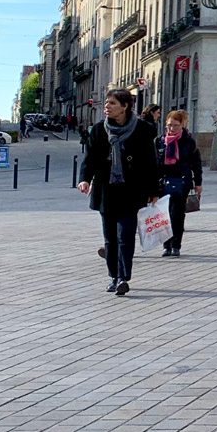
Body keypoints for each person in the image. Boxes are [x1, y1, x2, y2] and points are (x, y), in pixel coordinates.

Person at [78, 89, 160, 297]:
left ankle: (124, 277)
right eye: (107, 103)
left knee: (125, 235)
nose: (107, 106)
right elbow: (90, 159)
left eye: (112, 103)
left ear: (124, 107)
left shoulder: (142, 130)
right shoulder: (99, 130)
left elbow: (151, 162)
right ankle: (113, 276)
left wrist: (153, 190)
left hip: (131, 191)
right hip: (106, 190)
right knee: (110, 238)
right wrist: (84, 179)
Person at [156, 109, 202, 257]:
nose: (172, 128)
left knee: (177, 215)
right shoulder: (159, 141)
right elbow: (153, 163)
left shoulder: (188, 142)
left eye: (175, 125)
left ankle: (176, 245)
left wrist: (198, 182)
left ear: (182, 125)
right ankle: (166, 245)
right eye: (169, 125)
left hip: (182, 182)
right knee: (164, 216)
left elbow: (196, 164)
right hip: (162, 183)